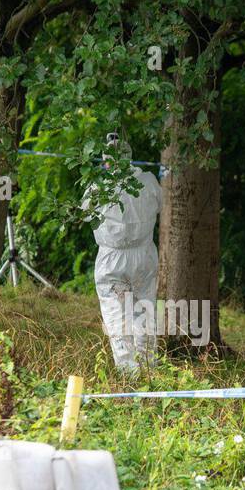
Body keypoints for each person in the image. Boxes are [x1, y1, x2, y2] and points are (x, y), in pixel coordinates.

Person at [83, 134, 161, 372]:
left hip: (112, 258)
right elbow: (161, 205)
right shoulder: (148, 181)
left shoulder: (98, 187)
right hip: (144, 256)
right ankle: (148, 371)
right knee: (144, 311)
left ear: (106, 161)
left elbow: (85, 213)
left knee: (116, 315)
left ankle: (128, 374)